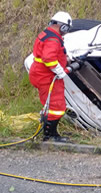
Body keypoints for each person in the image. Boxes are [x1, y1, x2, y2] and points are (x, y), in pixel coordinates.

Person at [28, 11, 82, 142]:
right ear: (62, 26)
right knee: (56, 106)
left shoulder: (48, 35)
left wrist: (67, 59)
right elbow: (48, 58)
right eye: (66, 29)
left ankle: (50, 132)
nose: (66, 32)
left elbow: (53, 53)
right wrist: (60, 71)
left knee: (50, 104)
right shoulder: (53, 39)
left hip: (42, 74)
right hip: (46, 76)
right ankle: (50, 135)